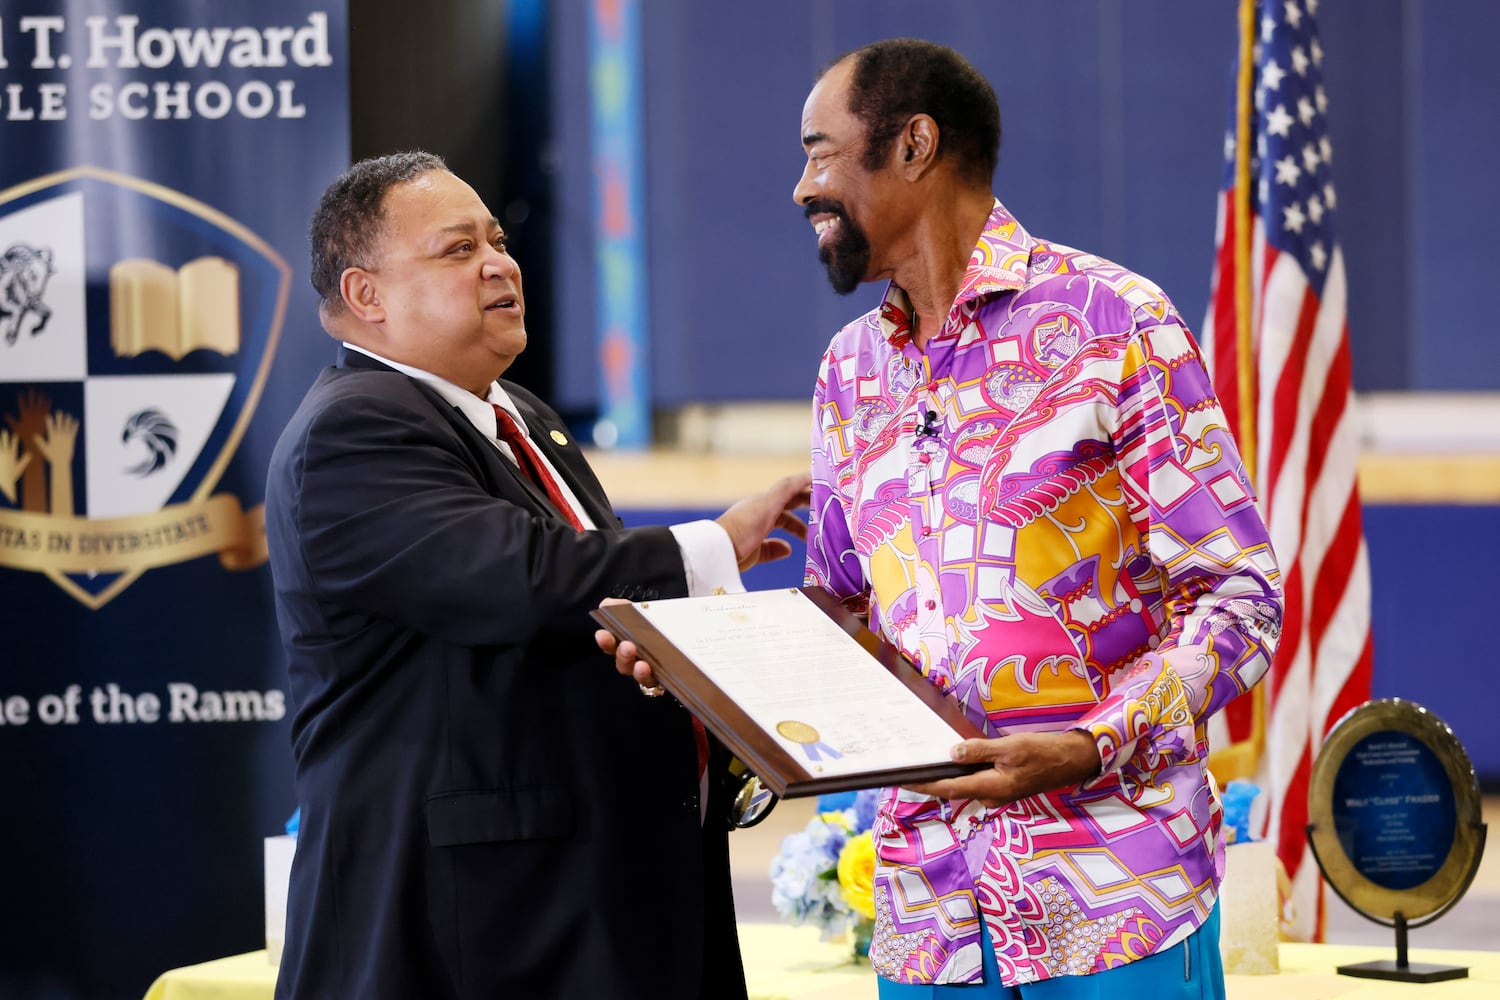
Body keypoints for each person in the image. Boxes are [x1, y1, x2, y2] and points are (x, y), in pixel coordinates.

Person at [612, 38, 1283, 998]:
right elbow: (845, 623)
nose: (802, 188)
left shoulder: (1114, 322)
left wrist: (1092, 742)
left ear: (914, 144)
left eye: (819, 152)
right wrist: (704, 674)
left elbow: (1239, 595)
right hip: (929, 915)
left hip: (1118, 897)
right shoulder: (849, 371)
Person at [265, 151, 808, 1000]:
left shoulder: (520, 415)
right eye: (458, 249)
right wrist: (714, 545)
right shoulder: (354, 429)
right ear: (366, 295)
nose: (499, 264)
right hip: (469, 929)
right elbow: (522, 580)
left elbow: (594, 621)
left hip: (598, 903)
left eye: (498, 240)